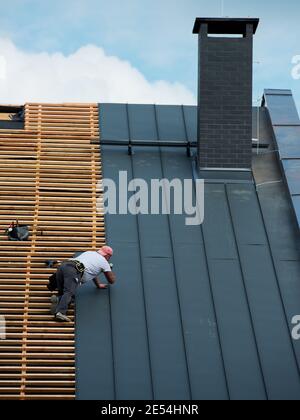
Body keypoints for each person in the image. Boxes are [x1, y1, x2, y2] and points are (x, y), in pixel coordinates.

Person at [52, 246, 116, 322]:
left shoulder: (89, 252)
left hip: (63, 266)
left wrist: (98, 284)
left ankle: (58, 300)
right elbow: (112, 280)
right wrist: (109, 269)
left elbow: (92, 272)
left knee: (65, 294)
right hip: (73, 270)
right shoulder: (104, 262)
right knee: (69, 292)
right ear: (107, 255)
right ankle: (60, 312)